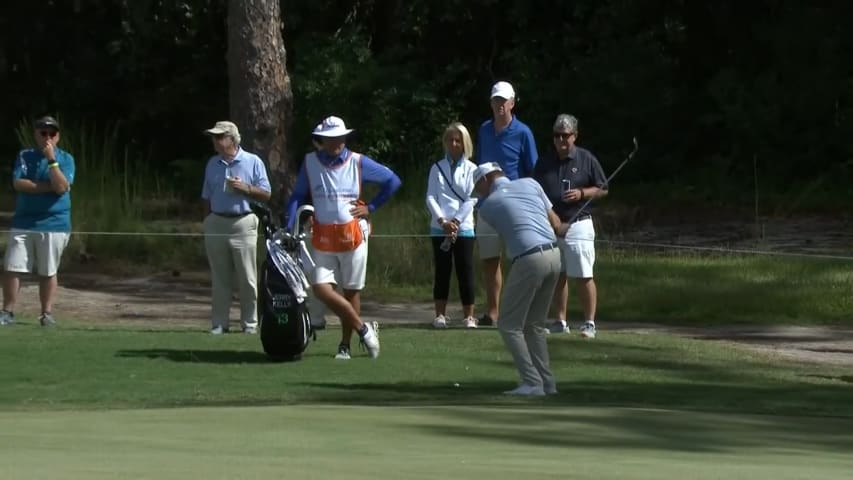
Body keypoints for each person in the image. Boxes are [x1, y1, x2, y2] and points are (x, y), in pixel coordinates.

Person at [285, 116, 401, 359]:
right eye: (329, 138)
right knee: (320, 287)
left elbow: (392, 181)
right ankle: (363, 328)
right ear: (322, 140)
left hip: (353, 233)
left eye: (339, 137)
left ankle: (345, 345)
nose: (335, 142)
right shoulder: (310, 162)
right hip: (323, 234)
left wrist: (371, 207)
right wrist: (291, 223)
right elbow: (298, 195)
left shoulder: (358, 161)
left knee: (351, 290)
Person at [474, 162, 566, 396]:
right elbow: (556, 224)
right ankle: (547, 384)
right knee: (533, 325)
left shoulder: (488, 207)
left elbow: (498, 241)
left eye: (478, 186)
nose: (478, 191)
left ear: (486, 180)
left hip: (529, 259)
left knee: (508, 324)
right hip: (555, 255)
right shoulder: (531, 183)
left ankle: (532, 382)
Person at [533, 114, 608, 339]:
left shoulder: (586, 159)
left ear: (574, 136)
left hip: (579, 223)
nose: (561, 140)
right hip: (552, 224)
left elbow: (603, 188)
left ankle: (589, 323)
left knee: (583, 274)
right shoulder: (544, 162)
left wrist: (583, 193)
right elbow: (536, 191)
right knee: (557, 274)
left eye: (565, 136)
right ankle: (560, 320)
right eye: (557, 135)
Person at [0, 116, 75, 327]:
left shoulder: (66, 158)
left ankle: (46, 314)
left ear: (58, 136)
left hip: (55, 223)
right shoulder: (25, 155)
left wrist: (52, 160)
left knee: (48, 270)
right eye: (43, 133)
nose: (47, 137)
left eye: (52, 134)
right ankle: (7, 312)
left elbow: (62, 186)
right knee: (12, 267)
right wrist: (49, 187)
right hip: (23, 222)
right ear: (36, 134)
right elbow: (19, 183)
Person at [474, 81, 538, 326]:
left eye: (504, 101)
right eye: (496, 100)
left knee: (520, 259)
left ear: (512, 103)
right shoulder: (484, 130)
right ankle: (493, 312)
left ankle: (520, 311)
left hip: (515, 205)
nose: (500, 105)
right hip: (488, 204)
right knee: (490, 260)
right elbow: (481, 165)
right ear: (491, 103)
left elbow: (532, 170)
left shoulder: (523, 132)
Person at [201, 121, 272, 335]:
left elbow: (267, 193)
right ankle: (219, 323)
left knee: (247, 277)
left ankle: (249, 324)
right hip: (217, 221)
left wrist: (246, 188)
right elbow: (206, 196)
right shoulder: (212, 163)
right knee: (220, 277)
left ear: (232, 139)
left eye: (219, 136)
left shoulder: (252, 161)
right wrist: (206, 221)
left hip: (243, 221)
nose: (215, 141)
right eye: (214, 137)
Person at [425, 122, 478, 329]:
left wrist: (455, 221)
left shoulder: (472, 169)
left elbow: (472, 198)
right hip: (439, 227)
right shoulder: (436, 167)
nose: (454, 144)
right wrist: (442, 221)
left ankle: (469, 316)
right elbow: (430, 196)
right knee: (442, 271)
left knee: (465, 270)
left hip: (463, 227)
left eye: (458, 140)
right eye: (450, 140)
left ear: (464, 143)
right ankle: (440, 314)